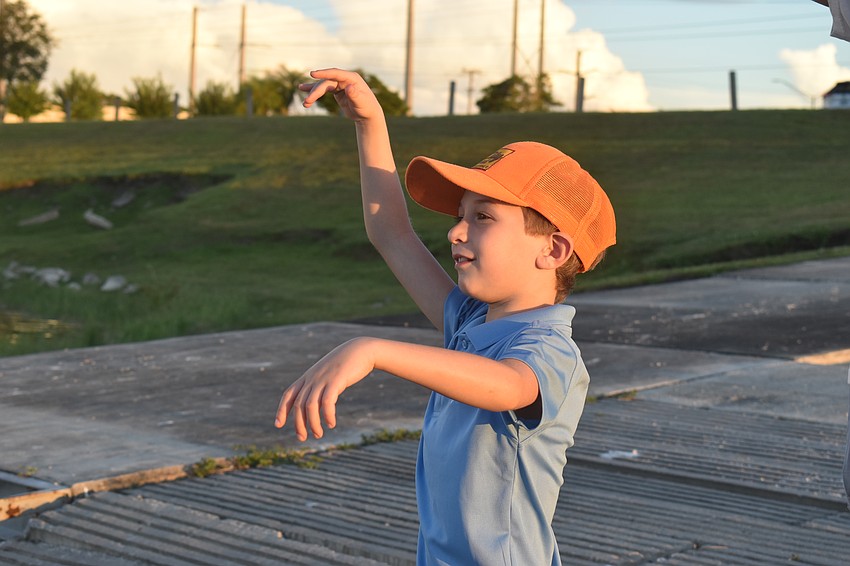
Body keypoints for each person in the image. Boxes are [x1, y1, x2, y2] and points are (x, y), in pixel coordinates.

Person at [274, 67, 616, 565]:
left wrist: (373, 349)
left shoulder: (549, 349)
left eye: (483, 218)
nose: (456, 232)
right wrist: (370, 122)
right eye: (460, 215)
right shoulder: (471, 324)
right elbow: (392, 233)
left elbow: (507, 386)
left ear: (553, 250)